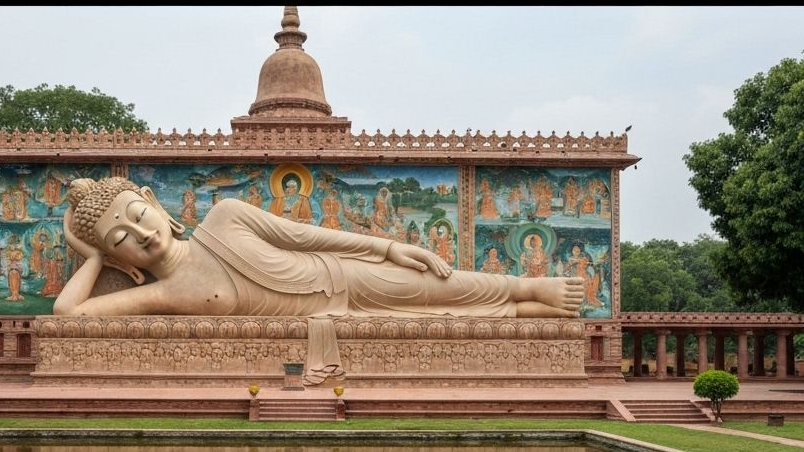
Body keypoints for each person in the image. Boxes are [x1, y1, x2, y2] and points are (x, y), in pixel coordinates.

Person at [54, 177, 584, 320]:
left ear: (154, 204)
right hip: (331, 315)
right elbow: (68, 311)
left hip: (342, 275)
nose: (142, 233)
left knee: (438, 286)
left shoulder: (225, 216)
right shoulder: (164, 294)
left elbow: (307, 236)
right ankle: (520, 307)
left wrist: (386, 246)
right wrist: (94, 257)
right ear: (125, 258)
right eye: (122, 237)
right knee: (442, 313)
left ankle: (523, 286)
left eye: (139, 216)